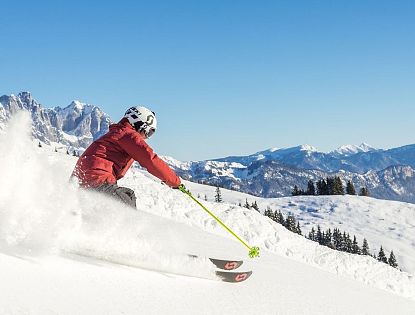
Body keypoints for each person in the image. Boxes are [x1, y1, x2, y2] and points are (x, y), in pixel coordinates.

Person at [71, 106, 183, 208]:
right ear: (140, 124)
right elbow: (150, 159)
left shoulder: (116, 133)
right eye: (148, 132)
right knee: (126, 199)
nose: (146, 137)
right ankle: (126, 229)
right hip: (97, 180)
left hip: (83, 181)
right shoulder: (128, 135)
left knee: (124, 196)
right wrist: (175, 182)